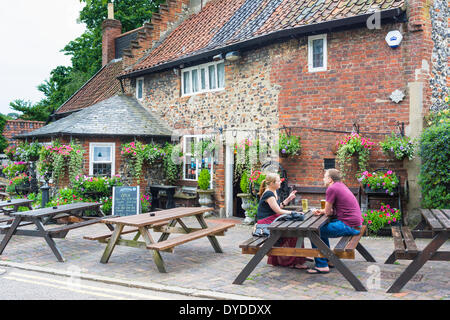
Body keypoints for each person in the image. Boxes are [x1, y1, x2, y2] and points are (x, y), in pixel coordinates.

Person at [307, 168, 363, 274]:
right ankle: (329, 259)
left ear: (330, 179)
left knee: (314, 232)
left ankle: (322, 265)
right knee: (320, 229)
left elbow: (328, 212)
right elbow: (333, 211)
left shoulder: (332, 188)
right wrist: (323, 211)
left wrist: (323, 211)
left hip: (350, 226)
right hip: (355, 224)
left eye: (325, 177)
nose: (323, 179)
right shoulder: (341, 185)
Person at [256, 172, 307, 270]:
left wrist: (288, 199)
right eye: (278, 181)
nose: (280, 183)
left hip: (273, 218)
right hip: (266, 222)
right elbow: (278, 211)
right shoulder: (269, 194)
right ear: (271, 183)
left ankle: (298, 257)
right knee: (294, 233)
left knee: (295, 230)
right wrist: (293, 213)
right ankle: (294, 261)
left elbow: (278, 207)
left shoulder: (274, 191)